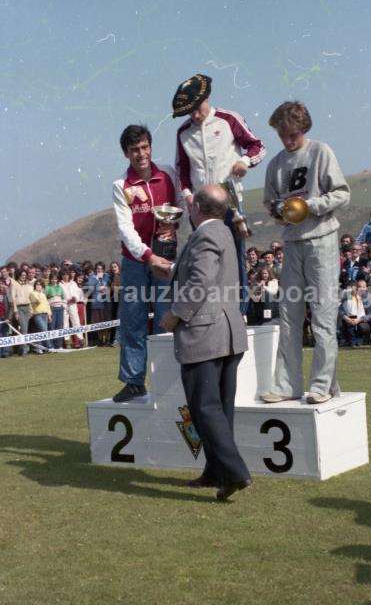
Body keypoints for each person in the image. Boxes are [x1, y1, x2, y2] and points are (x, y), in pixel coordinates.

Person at [160, 185, 251, 501]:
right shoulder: (224, 232)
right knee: (221, 409)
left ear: (197, 206)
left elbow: (200, 281)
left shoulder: (204, 236)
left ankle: (235, 472)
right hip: (227, 333)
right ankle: (216, 471)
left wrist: (174, 314)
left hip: (204, 332)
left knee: (204, 409)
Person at [261, 101, 350, 404]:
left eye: (293, 135)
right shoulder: (275, 164)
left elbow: (341, 192)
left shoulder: (320, 152)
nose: (288, 141)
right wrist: (278, 210)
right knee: (289, 315)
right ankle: (287, 385)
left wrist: (310, 206)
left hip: (322, 239)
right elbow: (270, 202)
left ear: (304, 128)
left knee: (323, 315)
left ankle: (322, 385)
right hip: (291, 242)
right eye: (283, 135)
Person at [172, 73, 265, 312]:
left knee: (235, 258)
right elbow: (182, 170)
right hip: (200, 208)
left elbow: (257, 146)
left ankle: (239, 313)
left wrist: (245, 161)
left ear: (207, 97)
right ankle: (212, 312)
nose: (194, 115)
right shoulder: (183, 132)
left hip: (230, 202)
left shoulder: (228, 119)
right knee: (206, 260)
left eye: (197, 108)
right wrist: (187, 195)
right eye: (189, 111)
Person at [112, 124, 181, 403]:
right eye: (134, 150)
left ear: (150, 146)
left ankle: (168, 379)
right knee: (132, 318)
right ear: (126, 154)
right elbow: (125, 229)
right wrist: (147, 255)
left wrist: (174, 226)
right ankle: (133, 381)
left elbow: (182, 208)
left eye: (144, 147)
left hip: (166, 256)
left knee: (167, 316)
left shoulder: (168, 173)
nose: (141, 154)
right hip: (135, 261)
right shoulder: (121, 186)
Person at [29, 279, 52, 354]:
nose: (38, 286)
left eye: (40, 285)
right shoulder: (32, 293)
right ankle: (48, 347)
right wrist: (38, 295)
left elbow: (47, 305)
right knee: (44, 330)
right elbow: (36, 300)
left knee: (40, 332)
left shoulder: (43, 294)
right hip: (37, 314)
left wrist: (49, 314)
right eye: (37, 284)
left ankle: (40, 348)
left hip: (45, 314)